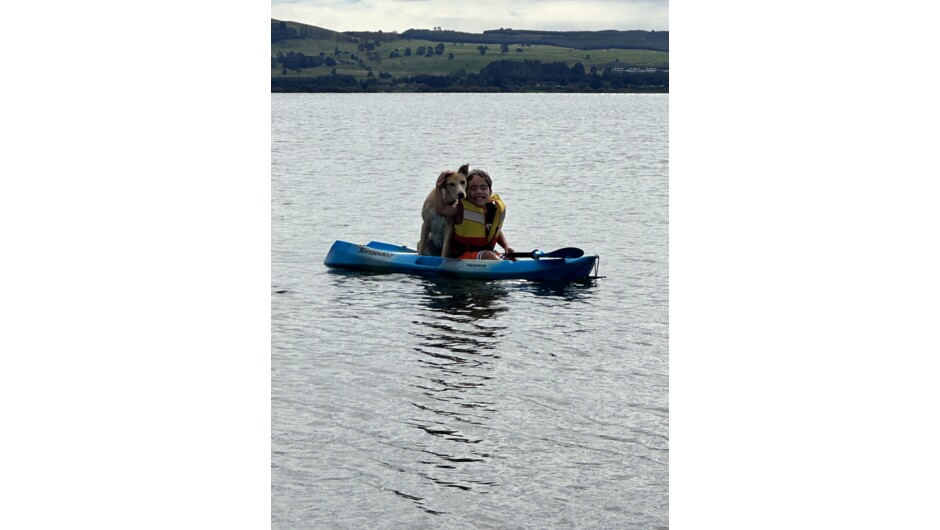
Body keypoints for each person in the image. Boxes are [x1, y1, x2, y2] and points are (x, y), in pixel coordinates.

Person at [434, 168, 515, 260]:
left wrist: (506, 246)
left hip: (486, 256)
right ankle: (503, 267)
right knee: (488, 255)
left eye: (483, 187)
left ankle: (510, 265)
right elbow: (441, 209)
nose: (479, 191)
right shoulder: (460, 208)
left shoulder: (493, 209)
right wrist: (438, 186)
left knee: (510, 257)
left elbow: (495, 230)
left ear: (490, 192)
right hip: (462, 257)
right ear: (466, 192)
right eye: (473, 188)